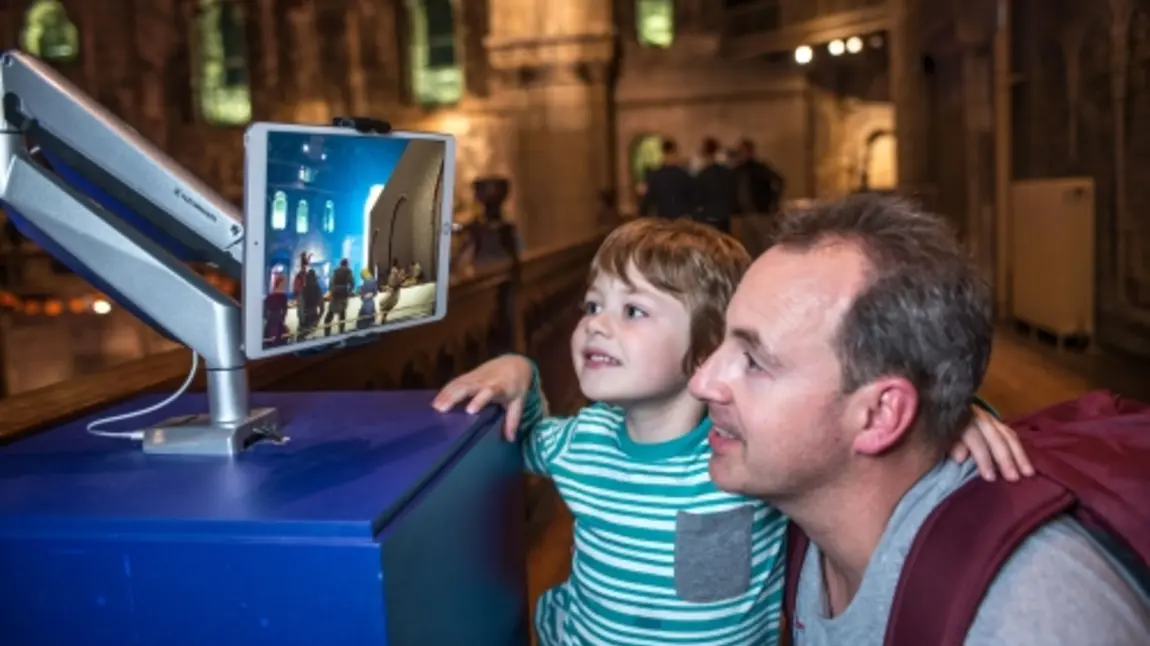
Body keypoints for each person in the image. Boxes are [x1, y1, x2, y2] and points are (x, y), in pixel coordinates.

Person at [433, 217, 1028, 646]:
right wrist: (517, 370)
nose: (597, 327)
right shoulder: (582, 444)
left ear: (704, 351)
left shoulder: (745, 455)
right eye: (593, 306)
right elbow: (523, 426)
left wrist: (959, 417)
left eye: (633, 311)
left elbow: (857, 432)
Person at [688, 193, 1150, 645]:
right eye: (724, 343)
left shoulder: (1022, 620)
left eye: (754, 361)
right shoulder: (797, 512)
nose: (701, 382)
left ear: (880, 415)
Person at [638, 138, 698, 220]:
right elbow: (694, 199)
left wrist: (642, 217)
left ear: (663, 153)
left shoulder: (655, 176)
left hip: (663, 219)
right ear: (675, 152)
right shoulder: (684, 176)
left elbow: (647, 201)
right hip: (682, 220)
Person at [694, 137, 738, 234]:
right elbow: (733, 193)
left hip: (708, 216)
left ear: (704, 153)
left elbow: (698, 198)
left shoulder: (702, 175)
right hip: (726, 216)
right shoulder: (727, 173)